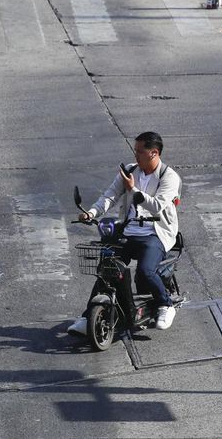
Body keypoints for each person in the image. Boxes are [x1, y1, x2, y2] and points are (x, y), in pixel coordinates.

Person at [67, 131, 182, 336]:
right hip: (128, 231)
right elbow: (109, 196)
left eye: (140, 151)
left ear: (154, 153)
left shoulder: (169, 177)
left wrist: (134, 191)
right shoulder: (130, 170)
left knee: (146, 271)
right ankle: (87, 317)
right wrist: (91, 212)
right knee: (107, 269)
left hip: (155, 233)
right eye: (135, 150)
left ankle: (165, 305)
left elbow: (157, 206)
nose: (135, 155)